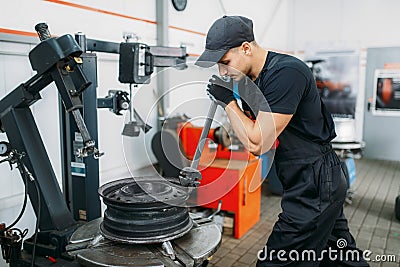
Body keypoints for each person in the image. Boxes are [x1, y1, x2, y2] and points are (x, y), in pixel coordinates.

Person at [195, 15, 369, 266]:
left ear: (246, 48)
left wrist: (228, 102)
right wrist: (234, 104)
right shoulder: (249, 82)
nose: (222, 71)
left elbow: (256, 141)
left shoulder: (287, 73)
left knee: (276, 262)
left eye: (225, 62)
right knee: (339, 255)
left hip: (316, 180)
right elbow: (256, 142)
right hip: (303, 177)